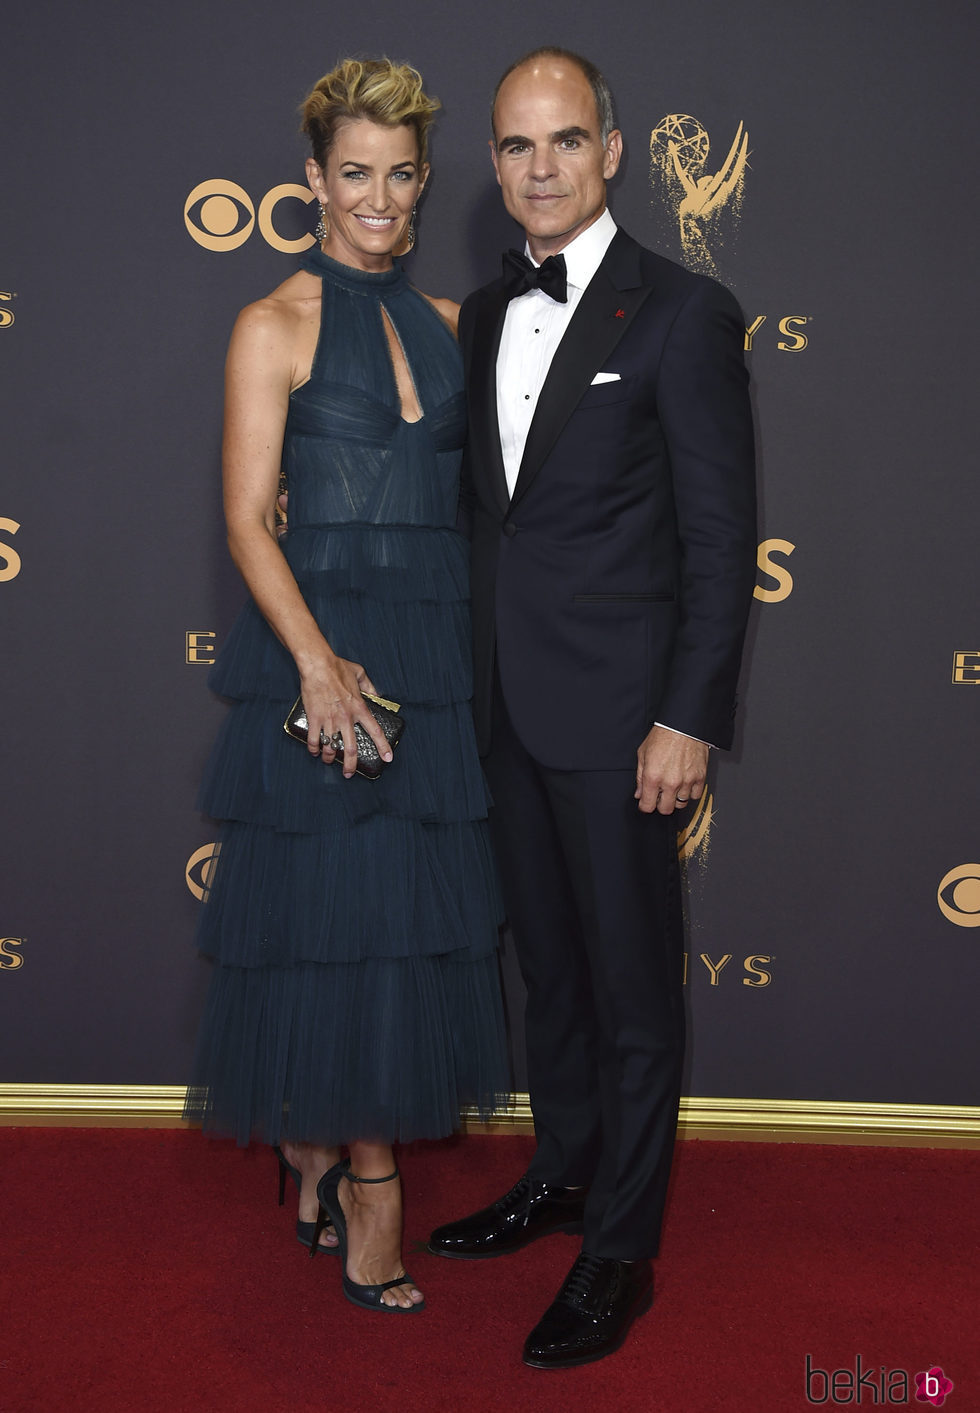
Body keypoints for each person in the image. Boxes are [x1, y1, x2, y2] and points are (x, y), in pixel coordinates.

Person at [427, 48, 757, 1366]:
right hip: (501, 709)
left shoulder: (683, 312)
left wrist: (687, 718)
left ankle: (620, 1251)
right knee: (550, 977)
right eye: (517, 145)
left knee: (629, 991)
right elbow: (486, 519)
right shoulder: (480, 315)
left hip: (624, 723)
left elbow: (721, 540)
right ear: (493, 162)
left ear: (611, 152)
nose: (542, 167)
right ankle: (562, 1175)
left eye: (566, 140)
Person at [183, 57, 508, 1314]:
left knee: (397, 923)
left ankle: (316, 1145)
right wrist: (319, 669)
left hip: (429, 654)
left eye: (401, 174)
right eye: (354, 173)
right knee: (346, 918)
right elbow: (243, 520)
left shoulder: (451, 321)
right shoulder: (270, 324)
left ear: (423, 181)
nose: (379, 197)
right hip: (321, 654)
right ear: (312, 180)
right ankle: (369, 1181)